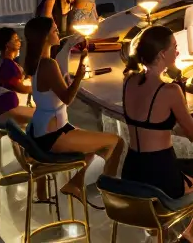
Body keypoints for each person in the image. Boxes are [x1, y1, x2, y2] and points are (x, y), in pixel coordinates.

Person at [122, 25, 193, 243]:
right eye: (175, 47)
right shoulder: (170, 91)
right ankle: (192, 233)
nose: (178, 52)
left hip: (131, 173)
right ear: (162, 54)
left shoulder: (129, 80)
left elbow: (152, 120)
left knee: (185, 165)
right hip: (161, 179)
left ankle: (155, 231)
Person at [23, 16, 125, 206]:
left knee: (94, 144)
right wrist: (79, 74)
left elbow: (56, 93)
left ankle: (75, 183)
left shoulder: (38, 62)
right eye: (54, 30)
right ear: (45, 37)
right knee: (116, 142)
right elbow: (68, 98)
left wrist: (71, 79)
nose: (57, 33)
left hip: (44, 130)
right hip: (52, 136)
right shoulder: (48, 64)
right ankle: (110, 195)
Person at [0, 27, 33, 126]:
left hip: (5, 110)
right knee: (42, 117)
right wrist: (36, 88)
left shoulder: (6, 63)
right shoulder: (8, 65)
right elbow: (21, 89)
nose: (19, 42)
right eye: (16, 39)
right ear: (7, 44)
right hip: (7, 112)